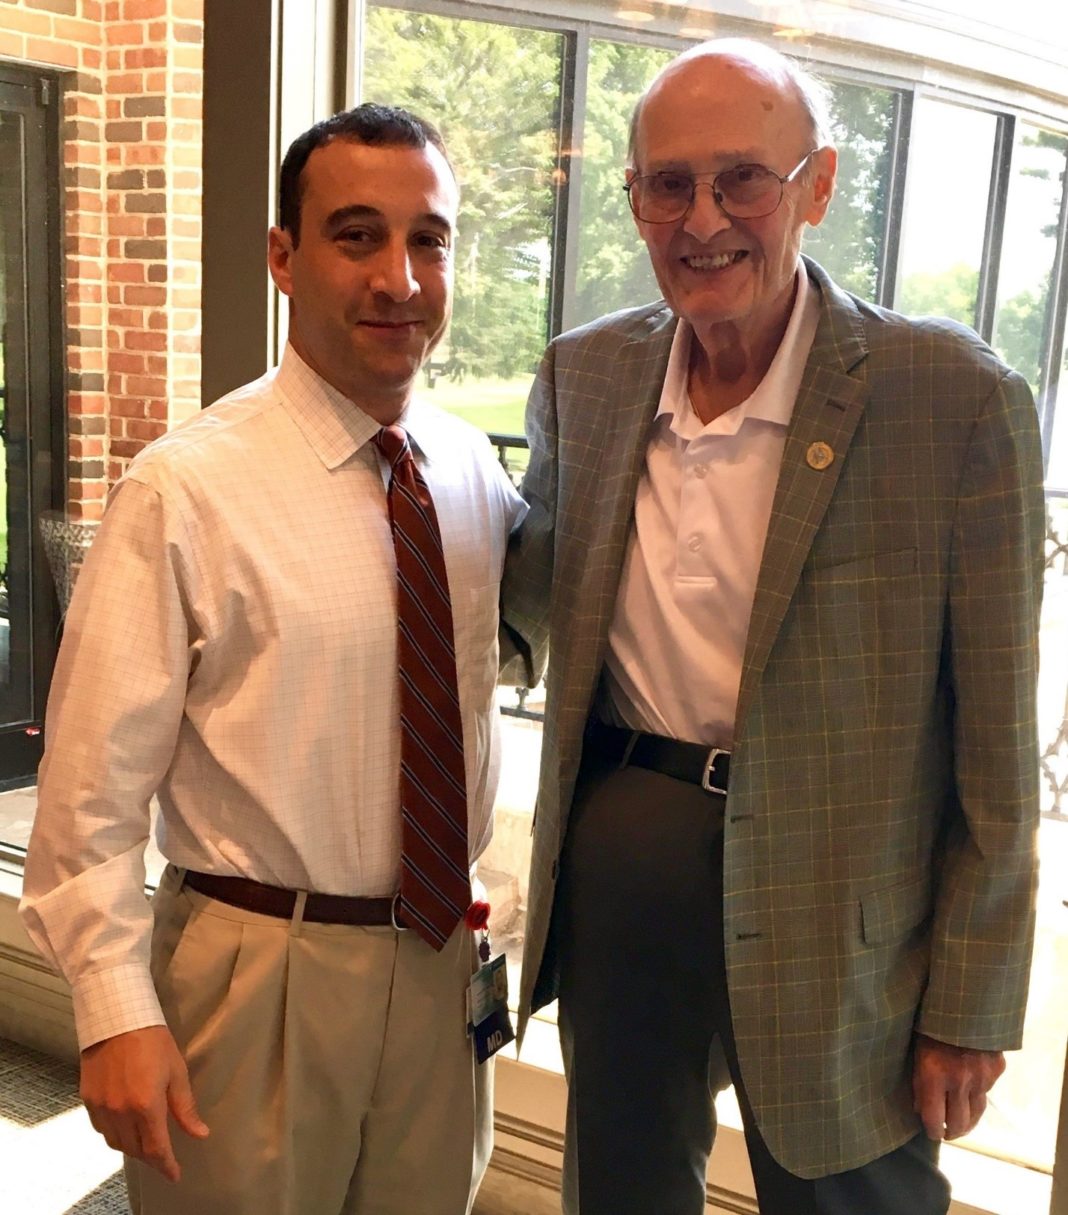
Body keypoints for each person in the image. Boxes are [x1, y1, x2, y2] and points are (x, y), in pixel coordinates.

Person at [500, 38, 1044, 1215]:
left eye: (742, 178)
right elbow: (527, 603)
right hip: (629, 858)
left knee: (855, 1198)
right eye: (668, 184)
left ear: (820, 184)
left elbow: (1000, 749)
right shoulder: (584, 378)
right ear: (635, 198)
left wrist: (973, 1002)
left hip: (845, 904)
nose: (704, 220)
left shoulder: (952, 397)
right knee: (624, 1189)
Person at [21, 103, 525, 1215]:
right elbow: (88, 797)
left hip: (444, 968)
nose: (399, 278)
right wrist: (114, 1011)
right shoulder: (185, 491)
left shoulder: (469, 472)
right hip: (259, 974)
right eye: (357, 236)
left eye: (428, 239)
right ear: (283, 260)